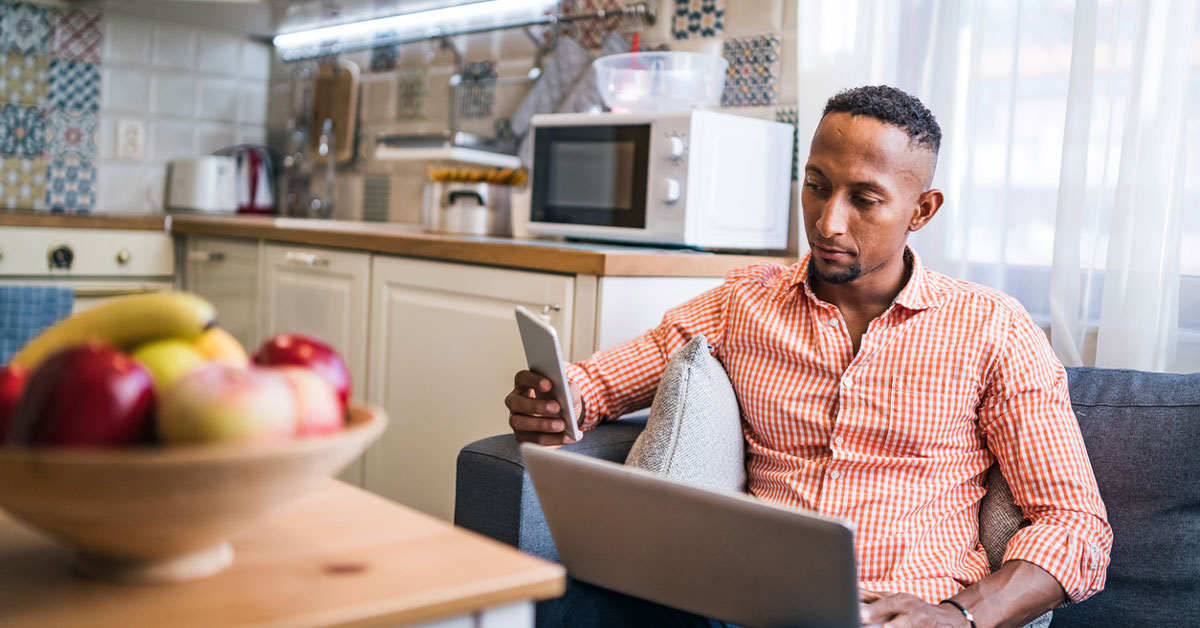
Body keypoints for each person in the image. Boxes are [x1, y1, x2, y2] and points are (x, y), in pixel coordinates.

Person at [506, 85, 1112, 628]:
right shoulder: (742, 302)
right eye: (817, 185)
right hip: (738, 603)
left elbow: (1076, 524)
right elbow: (599, 381)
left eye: (865, 200)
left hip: (899, 610)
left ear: (921, 211)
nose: (827, 222)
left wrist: (961, 614)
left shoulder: (993, 328)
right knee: (525, 604)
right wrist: (559, 400)